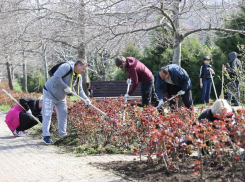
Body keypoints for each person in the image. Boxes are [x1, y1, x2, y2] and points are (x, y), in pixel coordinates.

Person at [42, 59, 91, 144]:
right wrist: (65, 87)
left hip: (61, 97)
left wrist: (86, 99)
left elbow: (80, 90)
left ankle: (63, 135)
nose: (84, 71)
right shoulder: (66, 67)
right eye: (83, 68)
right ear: (78, 65)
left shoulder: (78, 76)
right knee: (47, 114)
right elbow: (56, 76)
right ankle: (46, 136)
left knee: (63, 114)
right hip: (49, 93)